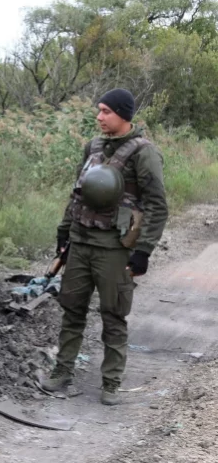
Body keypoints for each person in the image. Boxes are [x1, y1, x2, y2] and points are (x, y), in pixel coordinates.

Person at [41, 88, 168, 405]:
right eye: (99, 110)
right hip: (81, 242)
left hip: (114, 248)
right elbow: (77, 195)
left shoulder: (144, 153)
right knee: (72, 311)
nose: (99, 117)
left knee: (113, 316)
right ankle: (62, 371)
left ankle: (111, 383)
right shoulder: (93, 147)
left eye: (105, 111)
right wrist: (63, 234)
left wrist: (143, 251)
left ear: (124, 115)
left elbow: (157, 206)